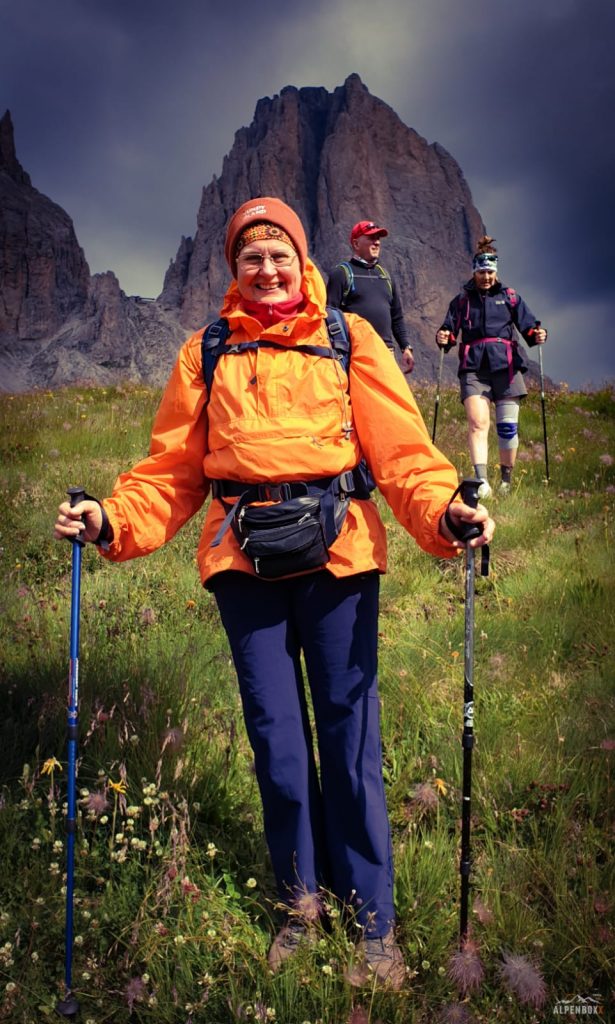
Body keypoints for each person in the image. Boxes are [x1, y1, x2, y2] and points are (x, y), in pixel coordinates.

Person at [54, 197, 493, 991]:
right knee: (278, 746)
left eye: (279, 254)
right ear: (233, 268)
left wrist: (445, 510)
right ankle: (299, 907)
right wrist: (110, 517)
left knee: (349, 740)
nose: (266, 270)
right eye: (250, 257)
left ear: (302, 261)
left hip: (341, 554)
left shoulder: (346, 337)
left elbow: (402, 453)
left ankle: (373, 924)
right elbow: (170, 471)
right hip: (241, 562)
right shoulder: (206, 351)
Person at [436, 236, 547, 497]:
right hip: (474, 369)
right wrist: (443, 337)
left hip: (507, 367)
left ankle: (506, 482)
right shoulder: (461, 301)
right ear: (474, 271)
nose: (486, 277)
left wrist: (538, 334)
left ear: (496, 271)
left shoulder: (510, 297)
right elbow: (448, 332)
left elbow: (529, 328)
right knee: (477, 422)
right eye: (482, 272)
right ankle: (481, 481)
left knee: (507, 428)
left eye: (490, 272)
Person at [326, 220, 415, 376]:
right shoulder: (341, 273)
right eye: (371, 238)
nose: (377, 243)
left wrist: (406, 347)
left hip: (386, 352)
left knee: (387, 399)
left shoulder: (386, 276)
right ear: (356, 243)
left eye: (378, 238)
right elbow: (329, 316)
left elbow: (397, 317)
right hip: (356, 351)